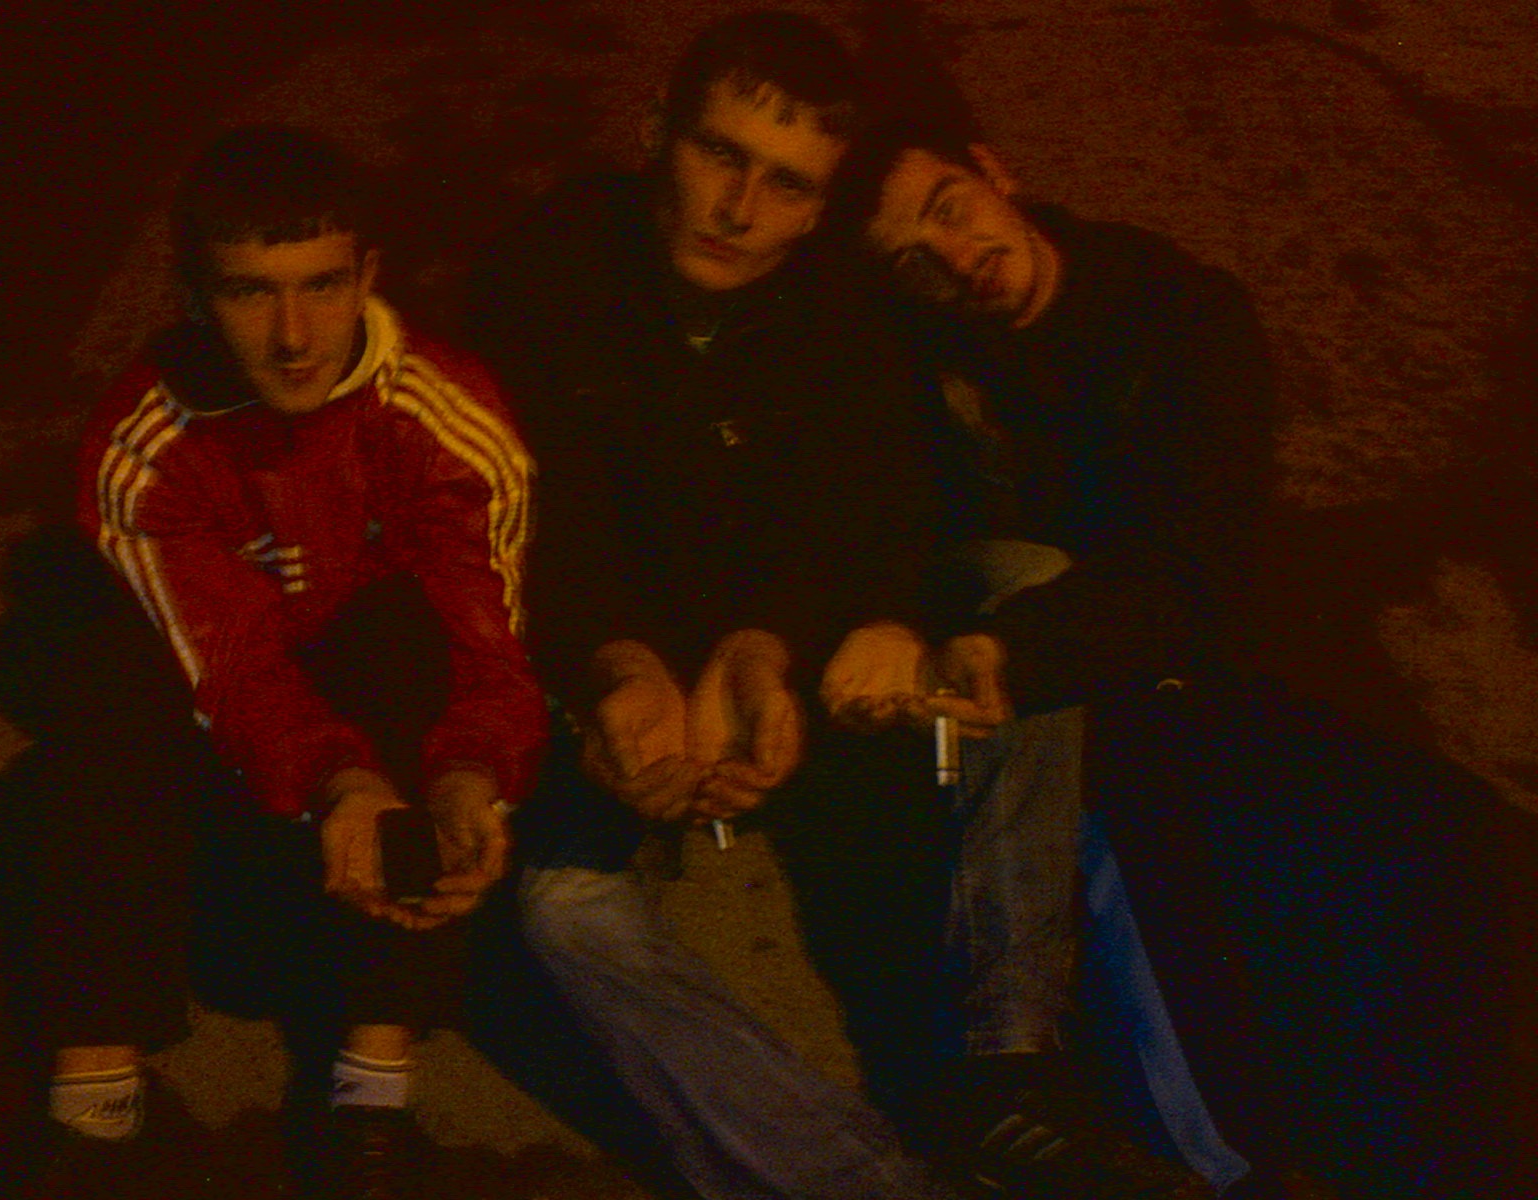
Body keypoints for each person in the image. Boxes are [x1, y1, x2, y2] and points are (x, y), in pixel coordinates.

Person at [0, 125, 548, 1197]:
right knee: (101, 665)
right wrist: (337, 779)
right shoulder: (145, 440)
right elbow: (229, 664)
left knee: (401, 638)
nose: (294, 337)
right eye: (251, 293)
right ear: (196, 295)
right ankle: (97, 1105)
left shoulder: (446, 416)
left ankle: (370, 1096)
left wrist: (469, 780)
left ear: (367, 276)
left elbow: (489, 641)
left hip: (367, 761)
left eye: (322, 286)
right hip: (212, 774)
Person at [461, 12, 968, 1200]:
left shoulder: (848, 309)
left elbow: (887, 515)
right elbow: (499, 516)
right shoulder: (543, 269)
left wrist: (767, 650)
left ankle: (991, 1103)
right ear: (656, 134)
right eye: (719, 154)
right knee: (555, 912)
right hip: (604, 667)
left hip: (767, 666)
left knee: (913, 837)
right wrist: (607, 665)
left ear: (820, 208)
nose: (740, 209)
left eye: (788, 185)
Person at [846, 77, 1291, 1196]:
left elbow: (1199, 563)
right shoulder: (918, 354)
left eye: (951, 209)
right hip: (1014, 675)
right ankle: (1004, 1064)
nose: (957, 260)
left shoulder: (1180, 315)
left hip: (1144, 653)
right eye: (913, 258)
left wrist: (1022, 651)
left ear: (996, 173)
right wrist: (903, 623)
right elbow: (892, 520)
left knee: (1218, 954)